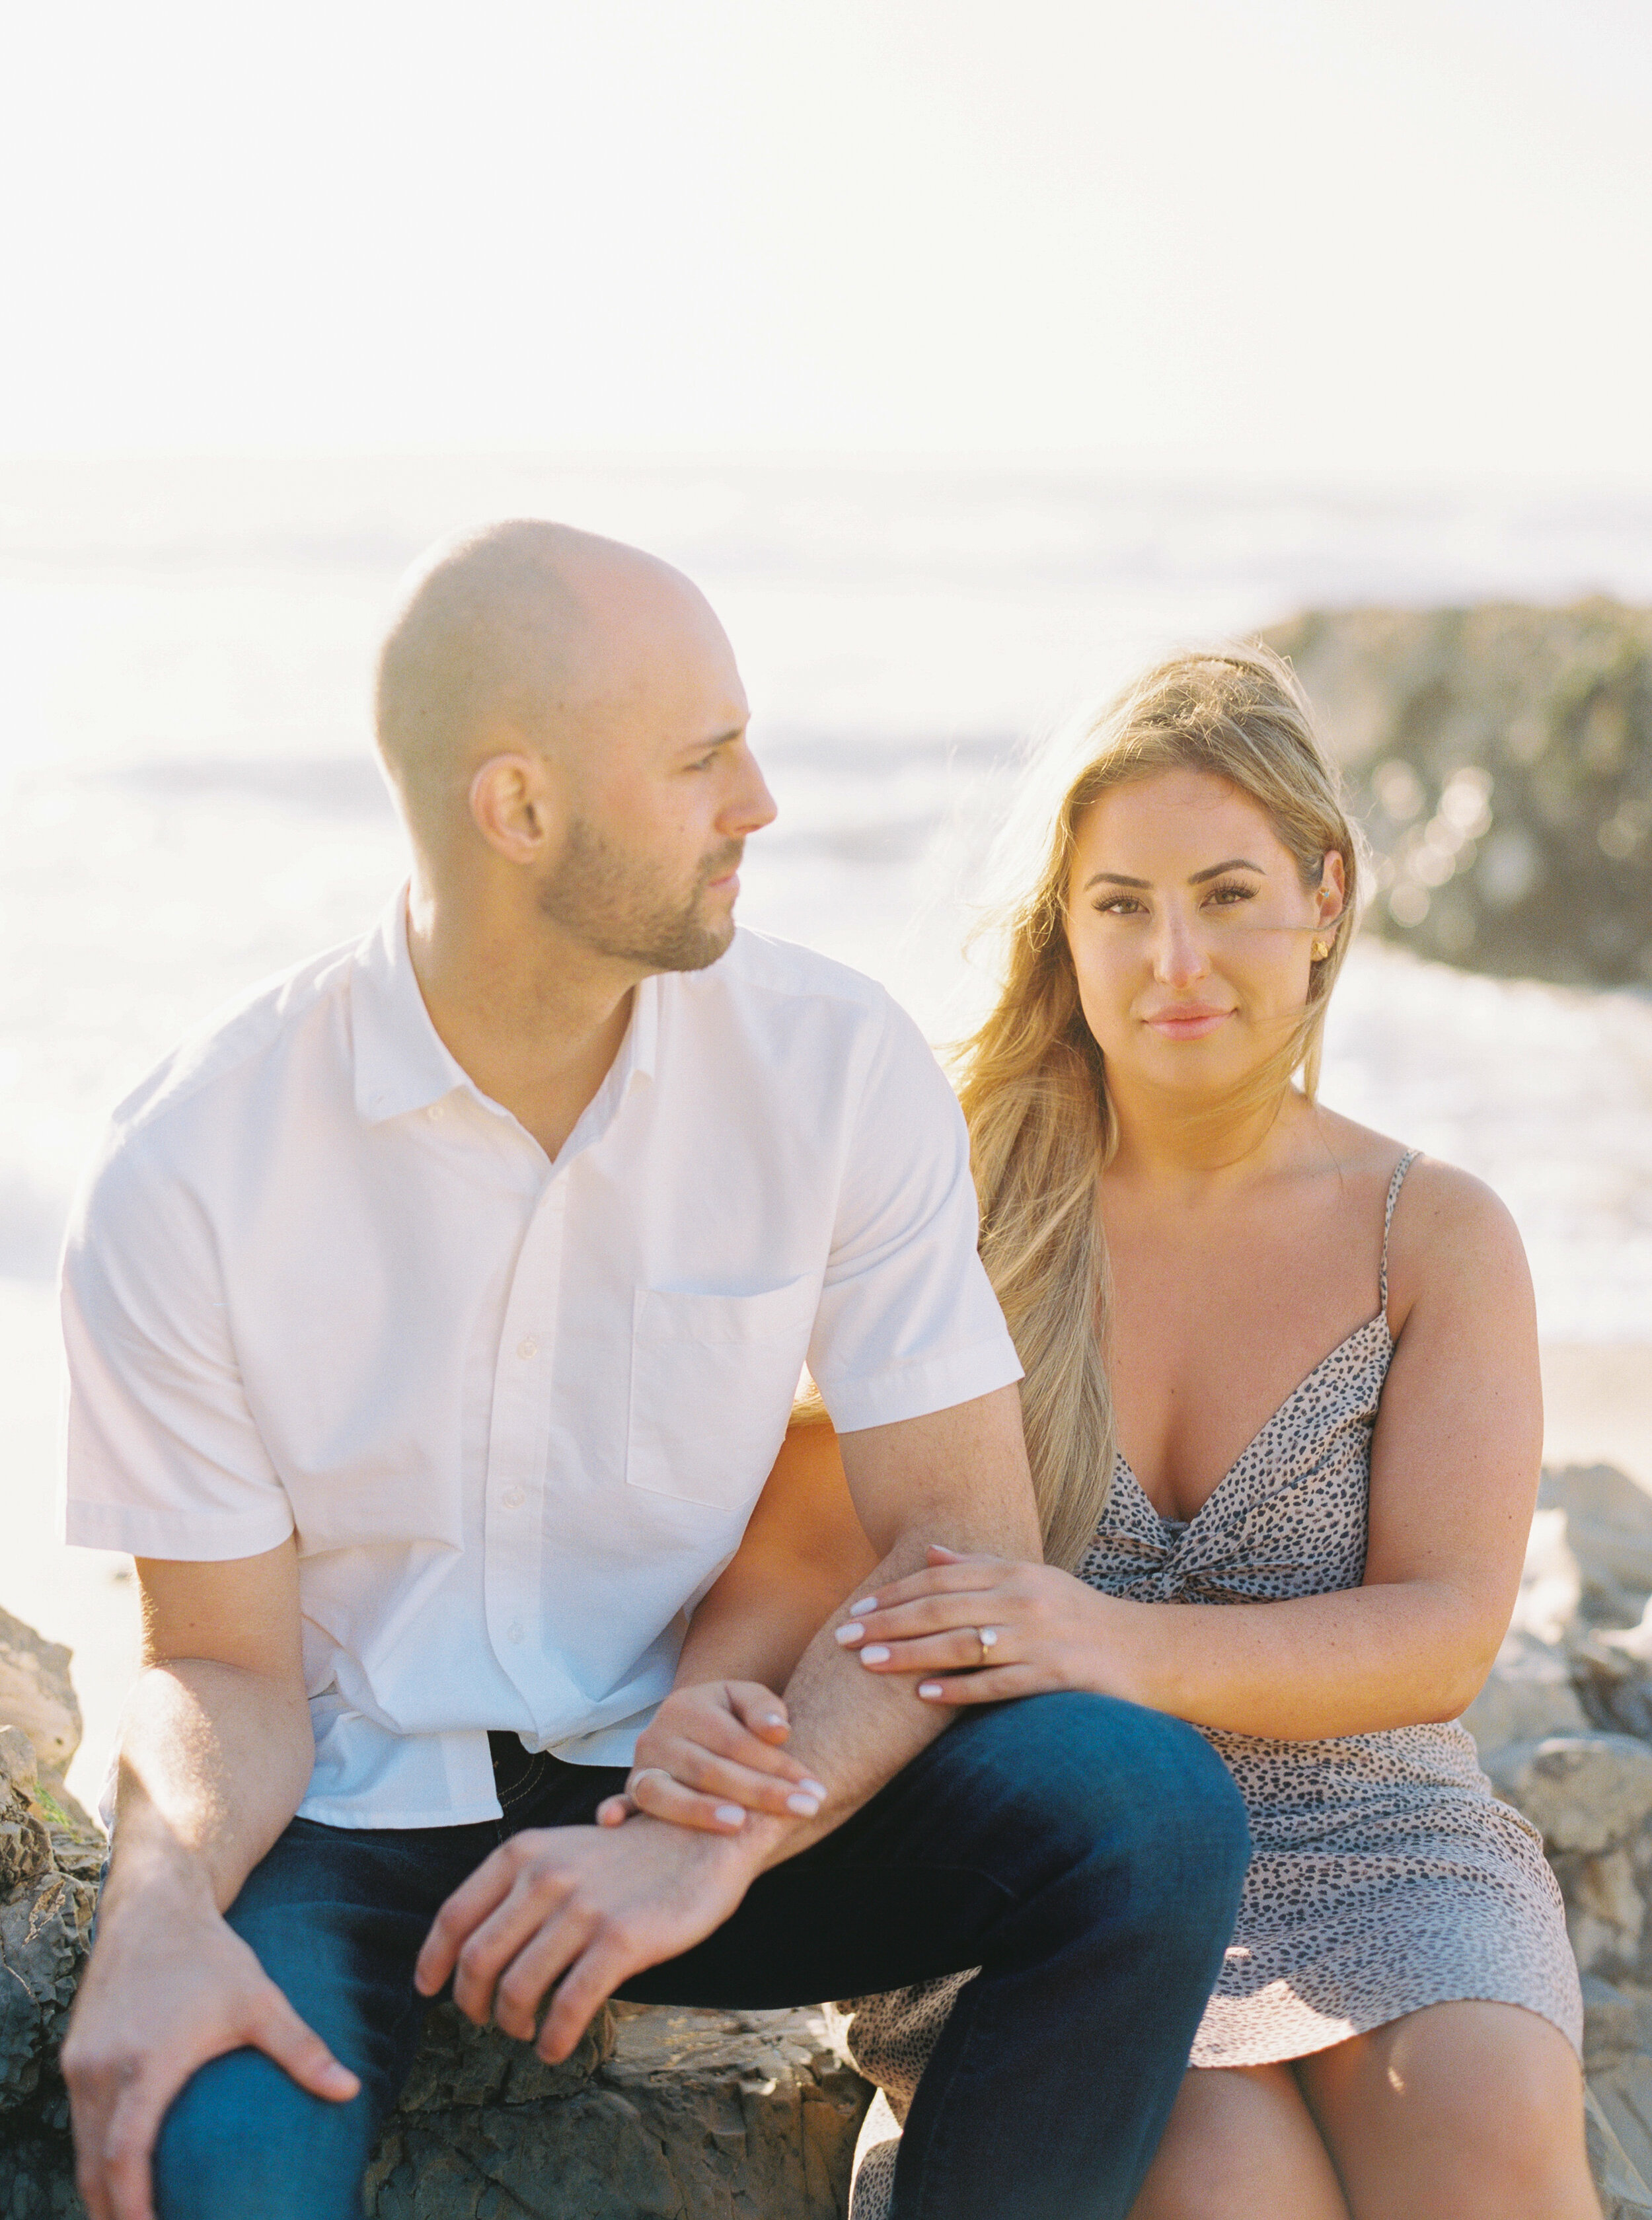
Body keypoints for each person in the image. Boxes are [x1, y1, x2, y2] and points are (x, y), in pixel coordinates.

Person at [55, 521, 1250, 2220]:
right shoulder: (193, 1161)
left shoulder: (832, 1069)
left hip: (694, 1774)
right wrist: (157, 1919)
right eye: (702, 762)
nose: (760, 800)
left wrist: (719, 1834)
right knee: (210, 2157)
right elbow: (222, 1668)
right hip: (346, 1828)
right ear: (518, 809)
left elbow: (956, 1554)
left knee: (1140, 1809)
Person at [644, 646, 1594, 2218]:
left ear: (1325, 897)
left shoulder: (1429, 1235)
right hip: (1067, 1861)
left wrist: (1102, 1639)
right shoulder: (957, 1204)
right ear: (1061, 924)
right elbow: (803, 1555)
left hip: (1371, 1829)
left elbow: (1440, 1637)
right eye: (1120, 904)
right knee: (1226, 2188)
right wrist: (702, 1722)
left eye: (1226, 895)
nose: (1174, 960)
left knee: (1487, 2124)